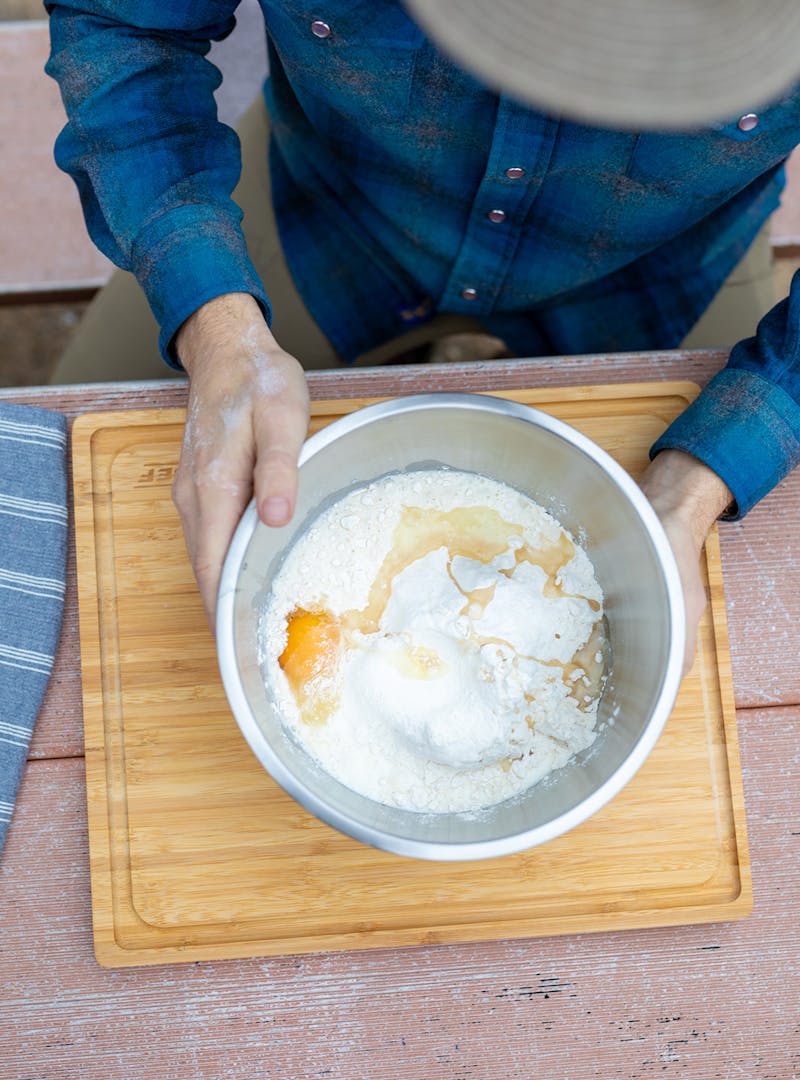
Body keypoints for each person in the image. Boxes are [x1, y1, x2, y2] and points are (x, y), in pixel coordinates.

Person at [45, 0, 800, 670]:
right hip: (326, 221)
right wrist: (216, 329)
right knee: (55, 484)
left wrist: (695, 488)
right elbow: (124, 24)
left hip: (657, 274)